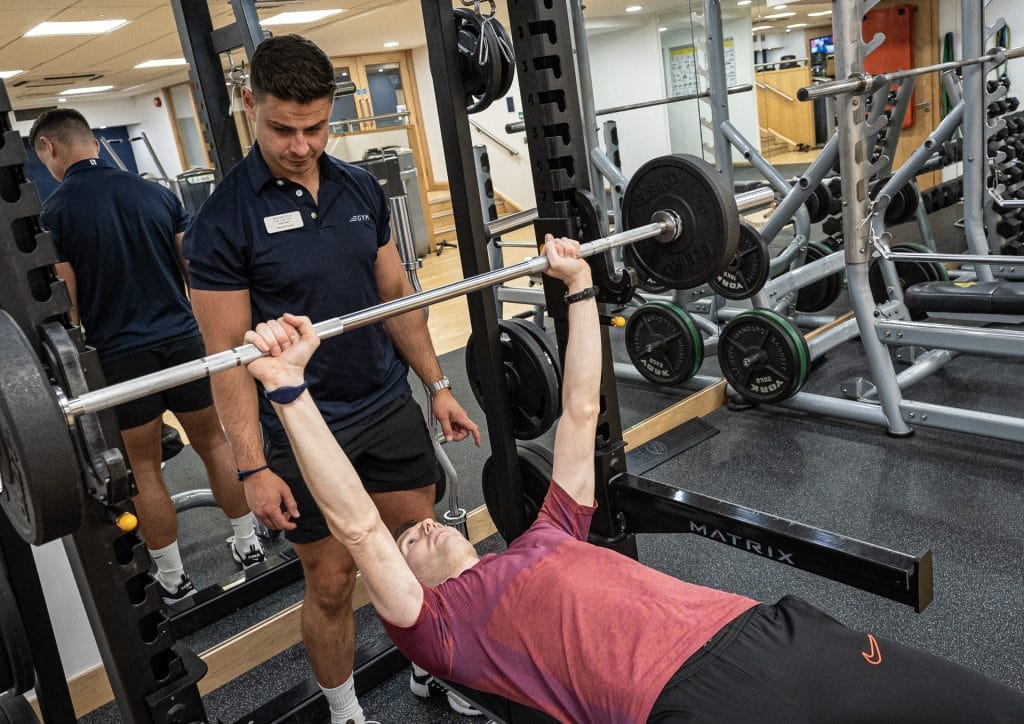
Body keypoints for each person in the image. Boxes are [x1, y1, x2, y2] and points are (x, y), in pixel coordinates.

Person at [242, 236, 1024, 723]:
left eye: (416, 525)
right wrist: (287, 389)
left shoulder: (549, 533)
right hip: (692, 702)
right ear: (402, 601)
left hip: (768, 631)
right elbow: (357, 526)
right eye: (410, 544)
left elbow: (580, 411)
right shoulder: (439, 630)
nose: (418, 527)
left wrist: (578, 289)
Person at [182, 34, 481, 723]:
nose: (301, 144)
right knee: (332, 578)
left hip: (384, 402)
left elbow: (396, 294)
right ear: (249, 103)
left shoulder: (356, 187)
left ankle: (431, 669)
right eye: (283, 128)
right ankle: (345, 712)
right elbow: (225, 354)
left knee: (418, 549)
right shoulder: (222, 220)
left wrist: (436, 385)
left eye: (315, 127)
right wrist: (252, 466)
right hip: (303, 425)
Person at [30, 108, 266, 606]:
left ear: (49, 148)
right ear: (91, 140)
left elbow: (68, 304)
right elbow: (196, 268)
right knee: (215, 444)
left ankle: (175, 578)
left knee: (144, 467)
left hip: (119, 359)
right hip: (184, 343)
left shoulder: (56, 214)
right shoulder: (157, 193)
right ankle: (249, 546)